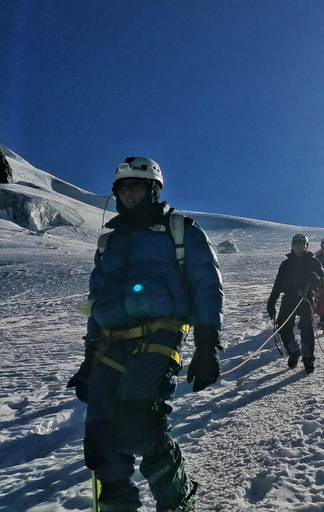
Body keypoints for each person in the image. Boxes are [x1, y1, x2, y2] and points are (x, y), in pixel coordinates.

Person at [67, 157, 224, 512]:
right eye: (121, 187)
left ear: (153, 189)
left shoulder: (179, 229)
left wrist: (208, 344)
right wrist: (88, 359)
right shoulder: (109, 243)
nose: (127, 193)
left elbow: (207, 284)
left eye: (135, 185)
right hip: (109, 343)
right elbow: (96, 300)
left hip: (160, 334)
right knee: (100, 437)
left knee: (141, 422)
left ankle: (177, 503)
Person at [266, 234, 324, 374]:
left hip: (306, 298)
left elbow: (323, 280)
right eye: (296, 242)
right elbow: (278, 284)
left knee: (306, 327)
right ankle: (294, 351)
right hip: (289, 298)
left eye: (302, 243)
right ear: (292, 245)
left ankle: (308, 357)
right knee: (282, 325)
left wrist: (316, 281)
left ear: (306, 246)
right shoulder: (285, 264)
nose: (299, 245)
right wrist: (271, 301)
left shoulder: (313, 261)